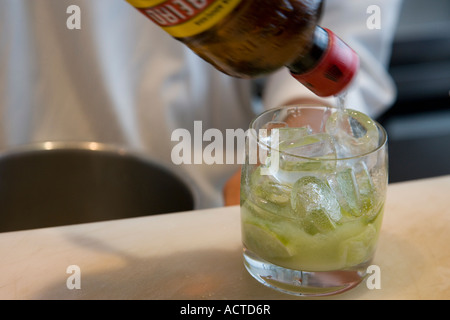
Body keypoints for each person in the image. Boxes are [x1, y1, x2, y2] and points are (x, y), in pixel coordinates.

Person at [0, 0, 403, 209]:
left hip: (205, 179)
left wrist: (299, 136)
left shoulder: (267, 44)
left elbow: (352, 12)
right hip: (22, 164)